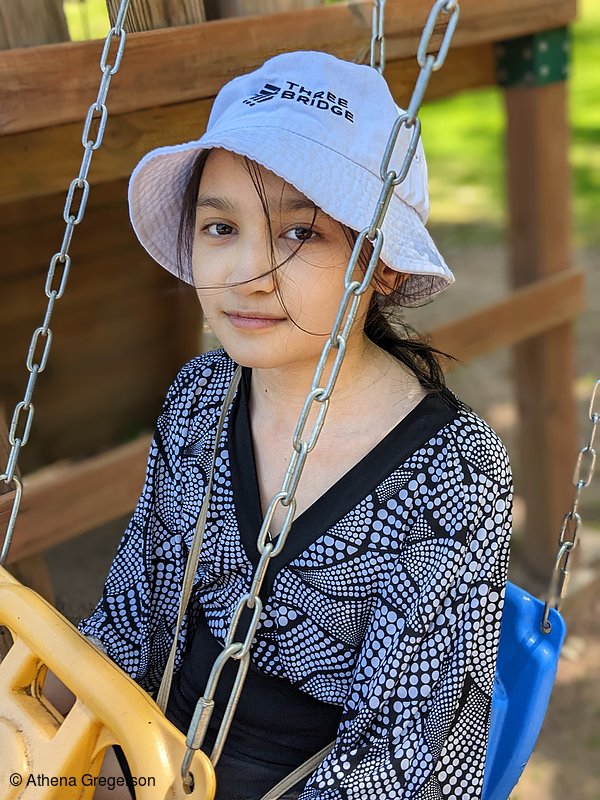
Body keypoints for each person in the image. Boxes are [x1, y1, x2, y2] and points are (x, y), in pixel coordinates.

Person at [61, 50, 511, 799]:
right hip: (143, 749)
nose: (248, 273)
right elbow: (132, 613)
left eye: (300, 234)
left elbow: (401, 769)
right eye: (219, 226)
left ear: (384, 265)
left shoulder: (454, 475)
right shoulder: (203, 395)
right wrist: (82, 740)